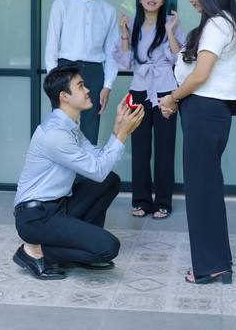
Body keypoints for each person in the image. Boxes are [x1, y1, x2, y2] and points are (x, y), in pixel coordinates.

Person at [159, 0, 236, 283]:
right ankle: (219, 260)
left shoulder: (217, 25)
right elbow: (187, 65)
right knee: (207, 191)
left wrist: (172, 98)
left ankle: (211, 266)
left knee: (201, 193)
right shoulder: (220, 24)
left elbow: (200, 76)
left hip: (204, 112)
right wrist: (176, 99)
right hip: (206, 112)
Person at [13, 64, 144, 280]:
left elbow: (98, 162)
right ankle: (34, 252)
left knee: (109, 181)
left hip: (59, 206)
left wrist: (117, 127)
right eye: (81, 86)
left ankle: (79, 248)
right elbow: (97, 169)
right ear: (64, 96)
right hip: (36, 217)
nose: (88, 90)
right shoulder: (55, 134)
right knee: (108, 247)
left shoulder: (69, 126)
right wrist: (122, 134)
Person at [114, 0, 184, 219]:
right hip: (139, 91)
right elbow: (124, 63)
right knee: (140, 149)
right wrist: (124, 34)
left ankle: (163, 201)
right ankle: (141, 201)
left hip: (166, 91)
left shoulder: (171, 23)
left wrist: (169, 32)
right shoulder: (132, 25)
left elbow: (179, 61)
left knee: (165, 149)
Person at [45, 0, 118, 145]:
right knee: (63, 125)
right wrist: (54, 80)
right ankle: (63, 175)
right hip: (66, 69)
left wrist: (107, 85)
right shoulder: (62, 4)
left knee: (90, 128)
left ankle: (85, 175)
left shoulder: (108, 11)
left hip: (94, 72)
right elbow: (51, 46)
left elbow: (112, 53)